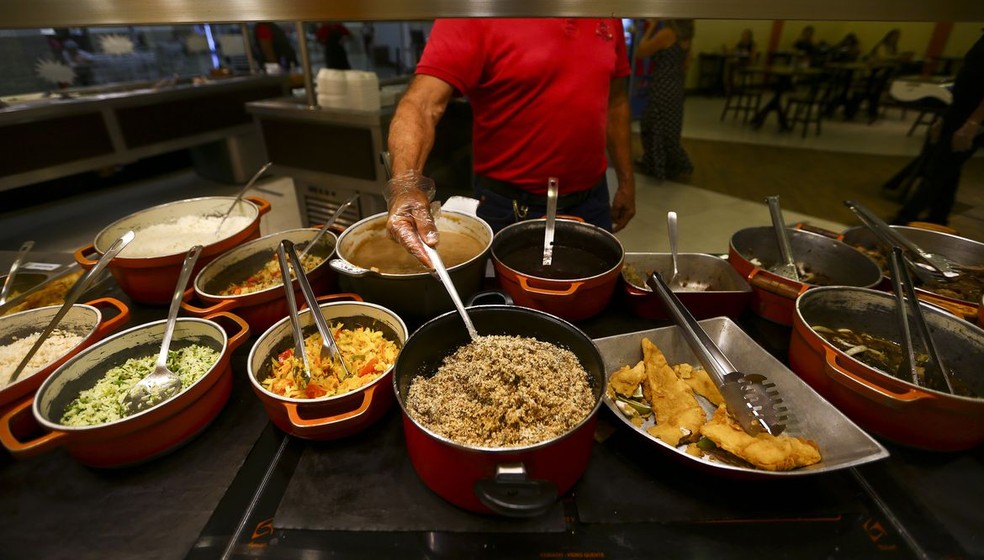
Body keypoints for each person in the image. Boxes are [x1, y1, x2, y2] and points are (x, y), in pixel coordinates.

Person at [384, 18, 636, 266]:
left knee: (595, 295)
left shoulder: (604, 11)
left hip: (593, 202)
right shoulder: (478, 13)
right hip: (510, 208)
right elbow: (421, 104)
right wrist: (405, 184)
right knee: (505, 302)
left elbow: (617, 101)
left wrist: (626, 180)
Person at [891, 32, 984, 226]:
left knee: (939, 168)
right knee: (949, 169)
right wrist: (947, 116)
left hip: (972, 118)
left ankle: (905, 218)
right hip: (959, 111)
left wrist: (974, 123)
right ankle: (939, 217)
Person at [636, 19, 695, 182]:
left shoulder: (667, 34)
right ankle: (671, 165)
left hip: (662, 85)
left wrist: (651, 27)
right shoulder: (686, 37)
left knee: (653, 122)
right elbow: (687, 63)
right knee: (670, 127)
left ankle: (655, 163)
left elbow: (641, 51)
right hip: (676, 86)